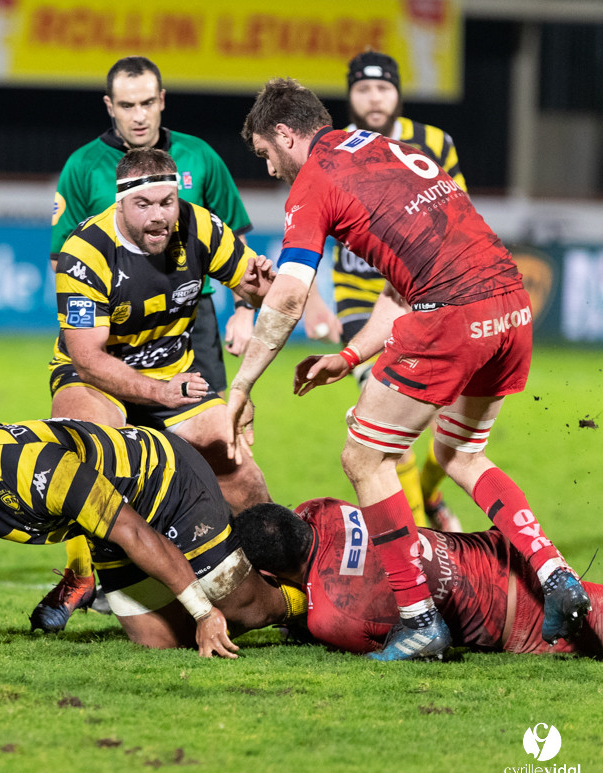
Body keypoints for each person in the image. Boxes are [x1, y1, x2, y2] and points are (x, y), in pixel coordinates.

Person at [227, 77, 590, 660]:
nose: (270, 169)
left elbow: (290, 296)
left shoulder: (315, 180)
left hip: (452, 313)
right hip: (510, 303)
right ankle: (556, 577)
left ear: (286, 135)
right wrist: (349, 356)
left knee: (364, 458)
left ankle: (419, 619)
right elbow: (400, 290)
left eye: (267, 154)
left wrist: (241, 387)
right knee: (459, 454)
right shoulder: (389, 150)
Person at [40, 56, 258, 630]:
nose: (160, 215)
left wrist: (248, 326)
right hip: (102, 355)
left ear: (162, 101)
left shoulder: (200, 182)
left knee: (234, 458)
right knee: (88, 446)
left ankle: (265, 575)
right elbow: (84, 346)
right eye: (127, 104)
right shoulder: (85, 206)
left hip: (183, 337)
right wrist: (158, 390)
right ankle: (92, 572)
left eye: (168, 203)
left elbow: (255, 273)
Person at [0, 401, 305, 657]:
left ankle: (302, 601)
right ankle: (222, 586)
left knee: (239, 608)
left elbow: (136, 535)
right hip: (104, 522)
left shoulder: (41, 469)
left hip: (163, 483)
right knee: (159, 642)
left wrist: (203, 612)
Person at [302, 50, 466, 533]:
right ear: (350, 95)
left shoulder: (435, 143)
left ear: (397, 93)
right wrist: (313, 300)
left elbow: (459, 215)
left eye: (383, 88)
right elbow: (307, 231)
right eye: (363, 89)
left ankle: (429, 495)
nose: (374, 98)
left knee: (454, 425)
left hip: (426, 295)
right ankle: (424, 541)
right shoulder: (332, 151)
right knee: (389, 428)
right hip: (360, 302)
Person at [235, 500, 603, 658]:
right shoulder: (324, 508)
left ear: (270, 573)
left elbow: (393, 640)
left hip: (522, 618)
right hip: (503, 550)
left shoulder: (330, 617)